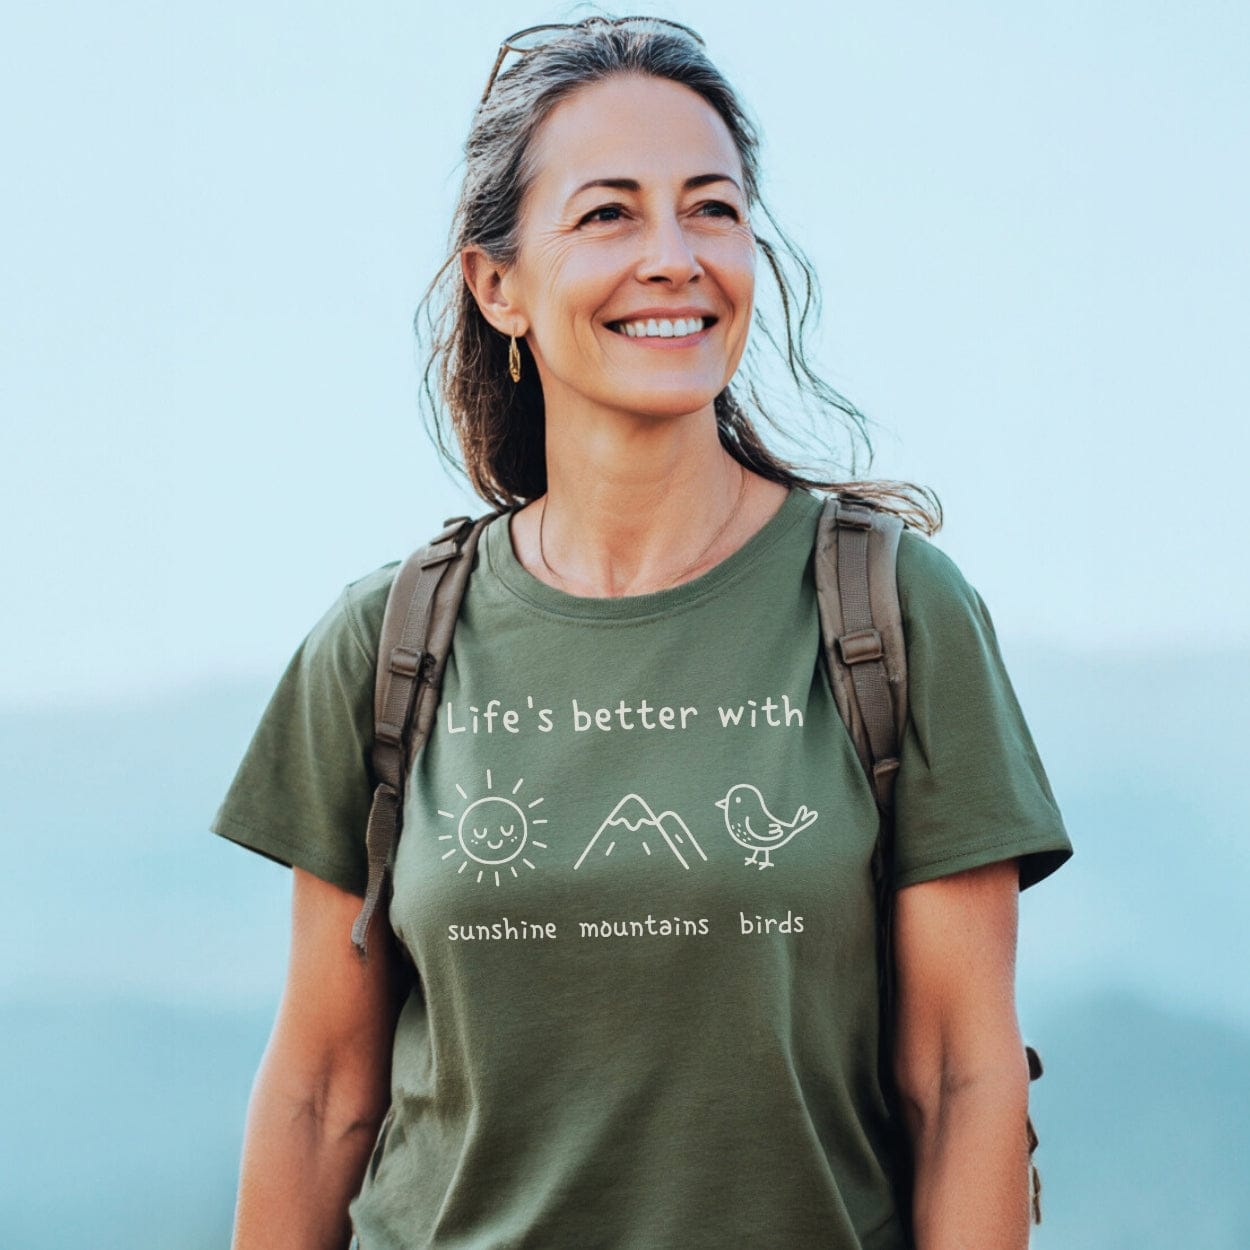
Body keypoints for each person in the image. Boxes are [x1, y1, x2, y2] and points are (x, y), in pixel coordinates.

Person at [210, 15, 1073, 1250]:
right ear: (496, 286)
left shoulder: (891, 612)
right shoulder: (386, 643)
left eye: (711, 209)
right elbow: (319, 1093)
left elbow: (961, 1077)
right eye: (608, 214)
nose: (673, 257)